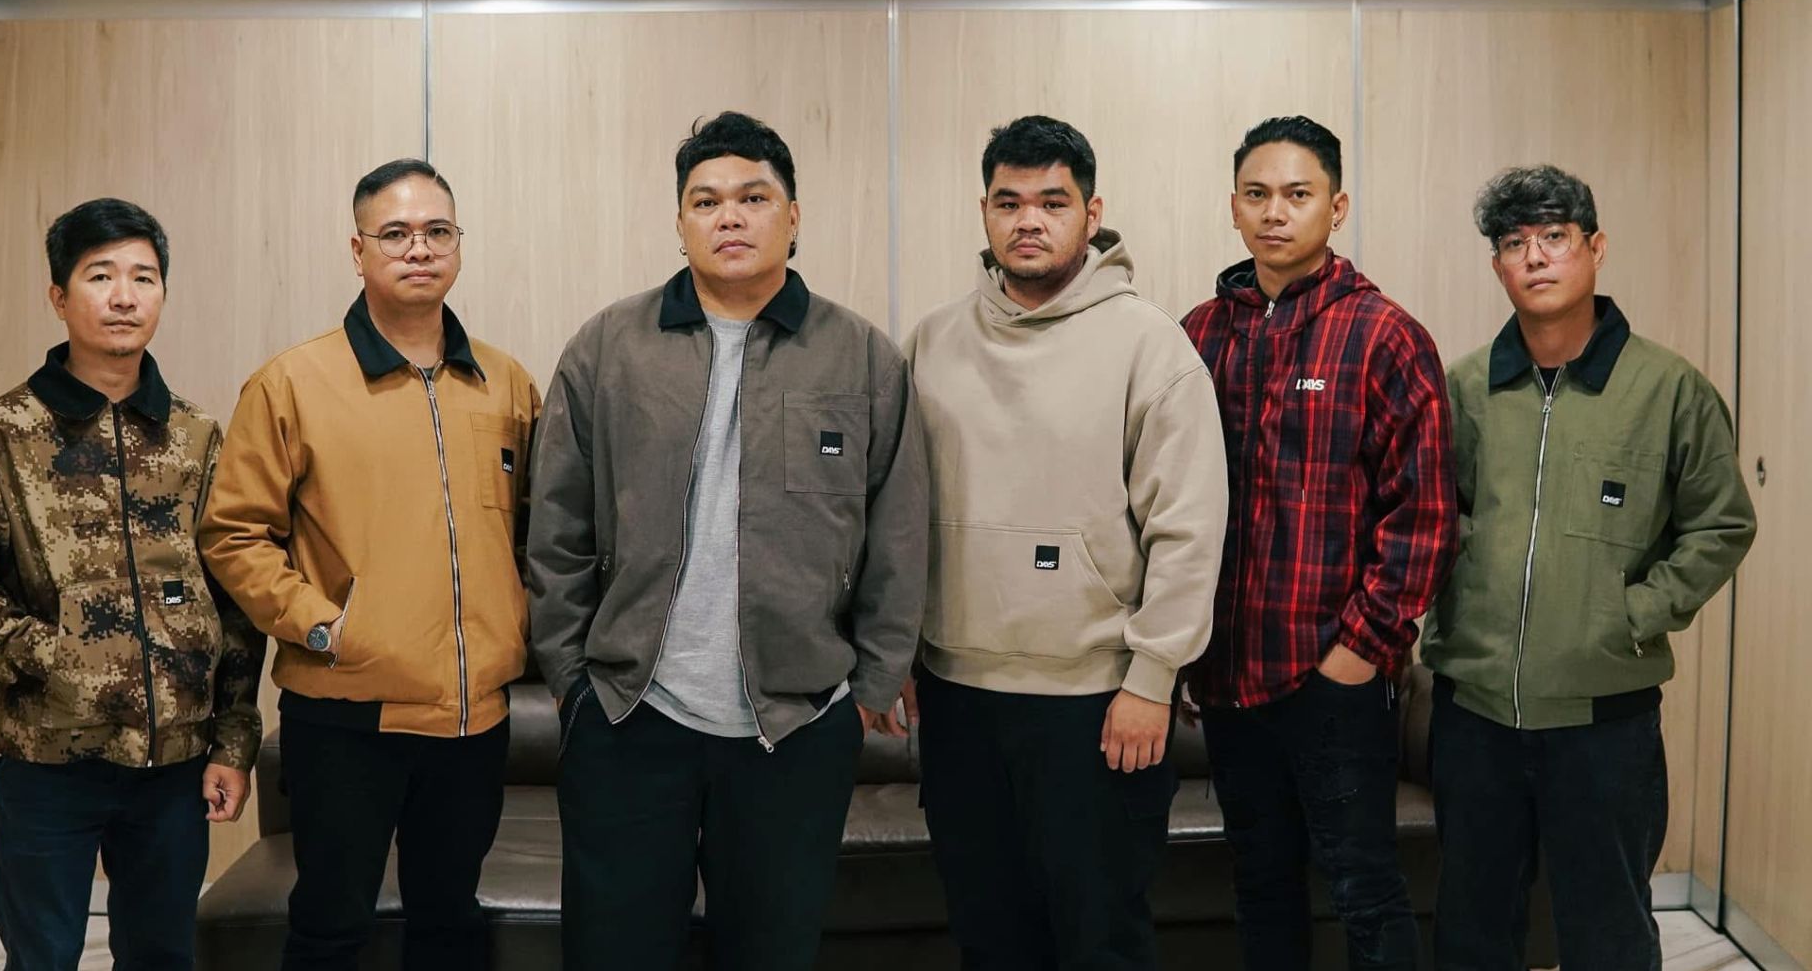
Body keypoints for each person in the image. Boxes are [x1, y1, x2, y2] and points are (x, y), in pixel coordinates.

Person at [526, 111, 928, 970]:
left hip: (797, 724)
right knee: (615, 953)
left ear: (794, 215)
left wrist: (868, 687)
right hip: (631, 715)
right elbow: (555, 525)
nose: (730, 217)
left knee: (771, 953)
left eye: (754, 197)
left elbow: (899, 533)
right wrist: (571, 681)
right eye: (705, 201)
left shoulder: (862, 358)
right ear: (680, 224)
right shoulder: (608, 348)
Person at [902, 114, 1228, 969]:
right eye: (1008, 203)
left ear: (1092, 212)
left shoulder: (1151, 346)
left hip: (1097, 701)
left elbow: (1189, 530)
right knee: (988, 937)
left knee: (1100, 941)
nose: (1029, 221)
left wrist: (1153, 678)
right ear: (984, 212)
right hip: (957, 696)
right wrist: (896, 647)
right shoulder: (932, 342)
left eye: (1052, 202)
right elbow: (896, 511)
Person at [199, 159, 540, 969]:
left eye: (437, 232)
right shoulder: (292, 384)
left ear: (459, 245)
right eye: (395, 233)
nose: (418, 249)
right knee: (331, 926)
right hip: (347, 713)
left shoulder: (504, 384)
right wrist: (325, 627)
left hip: (474, 717)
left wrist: (521, 624)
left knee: (451, 920)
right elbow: (233, 534)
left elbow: (538, 531)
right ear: (358, 251)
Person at [1423, 164, 1756, 971]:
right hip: (1474, 716)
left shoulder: (1668, 389)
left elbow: (1721, 523)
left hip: (1605, 721)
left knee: (1608, 934)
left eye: (1555, 236)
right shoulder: (1462, 388)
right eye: (1514, 243)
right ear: (1497, 265)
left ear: (1595, 248)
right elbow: (1427, 519)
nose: (1535, 256)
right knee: (1471, 931)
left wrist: (1632, 614)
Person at [0, 197, 264, 970]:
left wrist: (234, 742)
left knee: (162, 954)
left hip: (174, 764)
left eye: (144, 277)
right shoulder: (3, 433)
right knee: (42, 957)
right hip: (48, 761)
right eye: (100, 275)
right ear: (59, 296)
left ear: (162, 294)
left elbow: (236, 599)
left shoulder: (196, 437)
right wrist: (62, 661)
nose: (124, 296)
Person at [1181, 115, 1455, 970]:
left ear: (1335, 208)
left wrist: (1360, 651)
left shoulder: (1384, 334)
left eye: (1297, 195)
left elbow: (1425, 514)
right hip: (1227, 673)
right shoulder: (1198, 336)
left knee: (1364, 888)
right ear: (1233, 206)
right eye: (1257, 194)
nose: (1275, 212)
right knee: (1259, 882)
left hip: (1333, 677)